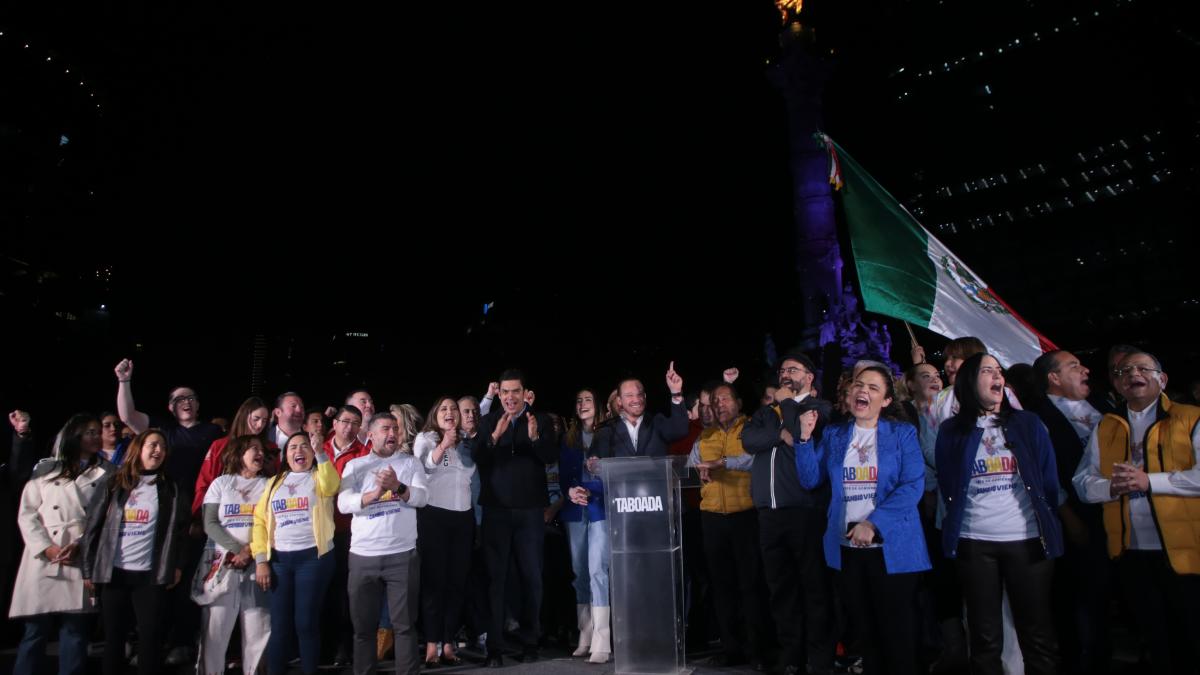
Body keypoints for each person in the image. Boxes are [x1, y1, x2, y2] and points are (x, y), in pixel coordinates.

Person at [795, 365, 929, 675]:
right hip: (847, 550)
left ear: (885, 400)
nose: (862, 391)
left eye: (872, 387)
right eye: (858, 385)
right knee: (865, 633)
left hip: (894, 548)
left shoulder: (901, 434)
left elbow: (913, 485)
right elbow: (810, 479)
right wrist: (803, 440)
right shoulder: (834, 434)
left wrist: (873, 523)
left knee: (898, 634)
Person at [1072, 349, 1200, 675]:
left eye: (1143, 368)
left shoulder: (1191, 417)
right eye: (1125, 371)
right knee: (1155, 639)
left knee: (1192, 637)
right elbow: (1083, 482)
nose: (1133, 374)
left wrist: (1149, 482)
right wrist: (1110, 488)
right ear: (1117, 383)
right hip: (1132, 551)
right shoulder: (1107, 426)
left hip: (1187, 552)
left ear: (1163, 379)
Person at [936, 353, 1063, 675]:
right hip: (974, 543)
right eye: (987, 371)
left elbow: (1048, 480)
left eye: (999, 371)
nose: (997, 377)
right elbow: (948, 480)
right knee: (984, 638)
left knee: (1037, 634)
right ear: (969, 381)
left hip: (1027, 541)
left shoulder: (1028, 423)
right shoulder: (952, 430)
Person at [740, 354, 837, 675]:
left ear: (810, 377)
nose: (785, 374)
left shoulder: (819, 407)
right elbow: (749, 440)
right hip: (769, 513)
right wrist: (778, 434)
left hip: (804, 511)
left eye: (793, 370)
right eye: (782, 370)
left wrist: (788, 410)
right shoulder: (767, 412)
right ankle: (791, 656)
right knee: (781, 590)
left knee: (813, 588)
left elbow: (801, 433)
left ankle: (819, 657)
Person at [467, 369, 559, 667]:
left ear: (524, 393)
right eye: (504, 392)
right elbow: (478, 457)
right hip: (496, 511)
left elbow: (548, 456)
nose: (509, 397)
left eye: (515, 392)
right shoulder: (489, 421)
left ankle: (531, 641)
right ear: (500, 394)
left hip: (531, 512)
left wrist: (534, 439)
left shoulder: (540, 420)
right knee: (497, 579)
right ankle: (495, 647)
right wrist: (493, 438)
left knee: (532, 577)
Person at [10, 414, 111, 675]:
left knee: (75, 632)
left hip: (80, 556)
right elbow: (27, 512)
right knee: (34, 631)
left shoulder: (109, 472)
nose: (96, 436)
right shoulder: (46, 469)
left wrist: (81, 544)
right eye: (90, 431)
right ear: (74, 435)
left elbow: (108, 517)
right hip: (43, 557)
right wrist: (46, 547)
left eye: (98, 431)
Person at [81, 429, 187, 675]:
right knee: (115, 640)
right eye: (153, 445)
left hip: (150, 576)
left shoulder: (171, 487)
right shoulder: (114, 482)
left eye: (162, 447)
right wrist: (88, 569)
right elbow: (92, 528)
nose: (158, 451)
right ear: (138, 448)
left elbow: (181, 532)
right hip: (114, 573)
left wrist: (178, 566)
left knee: (150, 638)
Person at [338, 412, 429, 675]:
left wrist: (398, 486)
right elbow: (343, 504)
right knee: (363, 629)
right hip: (363, 556)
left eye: (395, 429)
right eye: (385, 429)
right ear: (371, 435)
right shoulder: (355, 466)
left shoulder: (410, 463)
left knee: (404, 626)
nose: (392, 434)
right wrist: (375, 494)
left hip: (402, 556)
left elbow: (422, 498)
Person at [251, 431, 340, 675]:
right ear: (285, 455)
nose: (298, 451)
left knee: (306, 623)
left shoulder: (319, 476)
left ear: (312, 453)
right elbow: (259, 521)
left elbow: (333, 485)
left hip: (313, 559)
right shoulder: (273, 483)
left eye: (304, 447)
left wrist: (321, 453)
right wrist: (261, 561)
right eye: (292, 447)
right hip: (279, 561)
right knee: (279, 626)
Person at [198, 435, 271, 675]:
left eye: (261, 449)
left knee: (257, 633)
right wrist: (236, 549)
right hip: (222, 566)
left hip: (257, 566)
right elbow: (209, 523)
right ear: (239, 453)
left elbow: (271, 524)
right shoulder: (221, 483)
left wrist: (249, 551)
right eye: (253, 448)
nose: (259, 453)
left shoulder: (269, 485)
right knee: (214, 634)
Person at [413, 398, 476, 667]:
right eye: (444, 409)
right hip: (434, 517)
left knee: (456, 582)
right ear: (434, 414)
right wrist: (443, 444)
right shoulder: (425, 438)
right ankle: (431, 645)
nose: (450, 413)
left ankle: (448, 643)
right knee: (433, 583)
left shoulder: (468, 441)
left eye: (454, 409)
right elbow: (423, 469)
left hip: (463, 517)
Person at [561, 389, 612, 663]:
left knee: (597, 571)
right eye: (578, 400)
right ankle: (586, 634)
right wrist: (570, 491)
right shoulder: (569, 439)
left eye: (588, 400)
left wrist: (593, 490)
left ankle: (603, 641)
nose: (582, 404)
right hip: (574, 511)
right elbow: (563, 474)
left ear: (599, 405)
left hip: (599, 509)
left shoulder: (608, 434)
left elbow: (614, 473)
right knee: (579, 573)